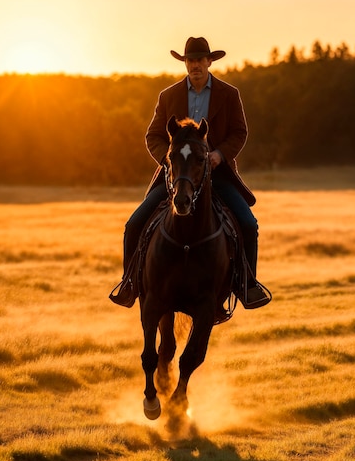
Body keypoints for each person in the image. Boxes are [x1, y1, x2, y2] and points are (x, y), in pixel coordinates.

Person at [110, 37, 270, 309]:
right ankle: (129, 283)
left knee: (248, 224)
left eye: (200, 59)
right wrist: (169, 161)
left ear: (209, 61)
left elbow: (239, 132)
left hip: (217, 175)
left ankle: (248, 285)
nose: (195, 65)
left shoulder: (229, 94)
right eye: (190, 60)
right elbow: (154, 136)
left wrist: (219, 154)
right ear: (185, 63)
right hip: (177, 177)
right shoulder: (168, 96)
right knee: (134, 224)